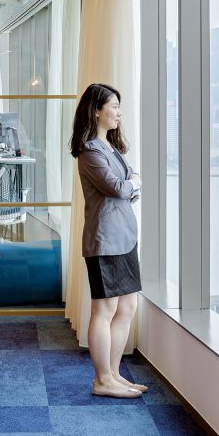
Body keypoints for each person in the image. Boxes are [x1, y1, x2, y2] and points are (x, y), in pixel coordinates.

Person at [70, 83, 148, 398]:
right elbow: (119, 187)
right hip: (104, 242)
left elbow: (131, 182)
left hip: (125, 238)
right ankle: (102, 380)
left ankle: (113, 375)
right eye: (113, 106)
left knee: (127, 305)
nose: (118, 112)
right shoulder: (90, 150)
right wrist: (131, 183)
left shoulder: (111, 148)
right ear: (97, 110)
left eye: (118, 105)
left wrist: (131, 183)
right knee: (104, 309)